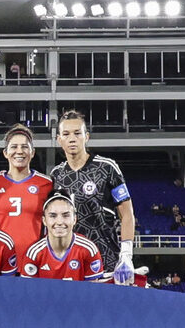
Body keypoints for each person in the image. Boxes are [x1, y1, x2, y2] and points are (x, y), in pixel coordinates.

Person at [49, 109, 137, 284]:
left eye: (77, 133)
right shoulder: (56, 175)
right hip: (69, 263)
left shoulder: (107, 168)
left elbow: (127, 214)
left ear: (86, 136)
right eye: (66, 134)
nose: (72, 138)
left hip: (106, 260)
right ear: (59, 139)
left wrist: (126, 254)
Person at [0, 124, 54, 251]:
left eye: (25, 147)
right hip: (0, 255)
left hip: (34, 256)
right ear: (5, 153)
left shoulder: (46, 183)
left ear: (32, 153)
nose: (20, 151)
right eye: (14, 147)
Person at [20, 196, 106, 281]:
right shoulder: (34, 253)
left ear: (74, 219)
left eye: (66, 216)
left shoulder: (88, 249)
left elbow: (91, 291)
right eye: (53, 216)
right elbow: (29, 291)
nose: (59, 222)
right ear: (44, 221)